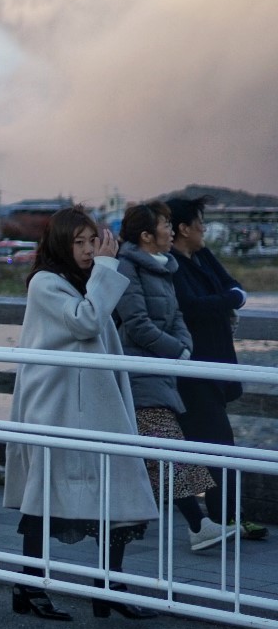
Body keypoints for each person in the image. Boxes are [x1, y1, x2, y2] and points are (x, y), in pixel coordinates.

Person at [6, 207, 159, 621]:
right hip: (55, 404)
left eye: (93, 240)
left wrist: (103, 271)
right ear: (60, 244)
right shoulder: (45, 282)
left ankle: (109, 584)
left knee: (115, 485)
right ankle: (30, 582)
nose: (89, 250)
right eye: (78, 242)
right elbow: (87, 321)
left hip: (92, 402)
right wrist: (107, 267)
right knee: (46, 490)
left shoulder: (86, 280)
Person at [116, 201, 233, 553]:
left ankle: (187, 524)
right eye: (165, 225)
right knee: (166, 448)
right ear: (147, 235)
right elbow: (137, 324)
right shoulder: (126, 268)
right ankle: (199, 527)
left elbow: (177, 315)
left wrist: (183, 348)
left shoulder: (164, 267)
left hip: (165, 370)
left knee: (160, 452)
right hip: (141, 370)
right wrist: (178, 352)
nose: (170, 230)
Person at [167, 196, 266, 540]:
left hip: (217, 364)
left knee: (212, 447)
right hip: (192, 371)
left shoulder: (202, 256)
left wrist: (227, 300)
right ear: (183, 229)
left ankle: (223, 520)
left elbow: (231, 285)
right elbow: (193, 306)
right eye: (200, 224)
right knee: (219, 447)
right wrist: (231, 301)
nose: (204, 230)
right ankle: (221, 523)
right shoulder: (171, 264)